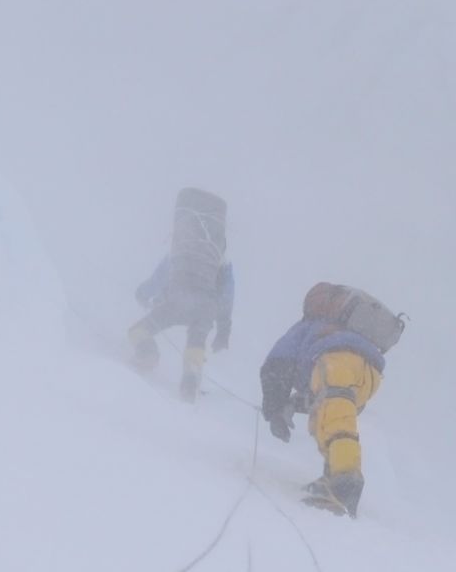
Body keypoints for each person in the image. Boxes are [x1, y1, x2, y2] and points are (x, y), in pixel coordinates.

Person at [259, 283, 405, 517]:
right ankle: (331, 477)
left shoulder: (307, 327)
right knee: (323, 419)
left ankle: (345, 482)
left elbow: (277, 364)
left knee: (334, 419)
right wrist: (291, 405)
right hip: (370, 374)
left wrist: (274, 410)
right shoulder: (339, 329)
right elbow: (315, 396)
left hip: (337, 359)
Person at [128, 188, 234, 402]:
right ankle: (191, 376)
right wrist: (224, 328)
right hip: (207, 307)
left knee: (138, 331)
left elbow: (159, 278)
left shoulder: (181, 250)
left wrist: (143, 294)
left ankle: (147, 352)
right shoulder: (220, 259)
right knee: (196, 342)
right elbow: (228, 294)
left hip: (178, 299)